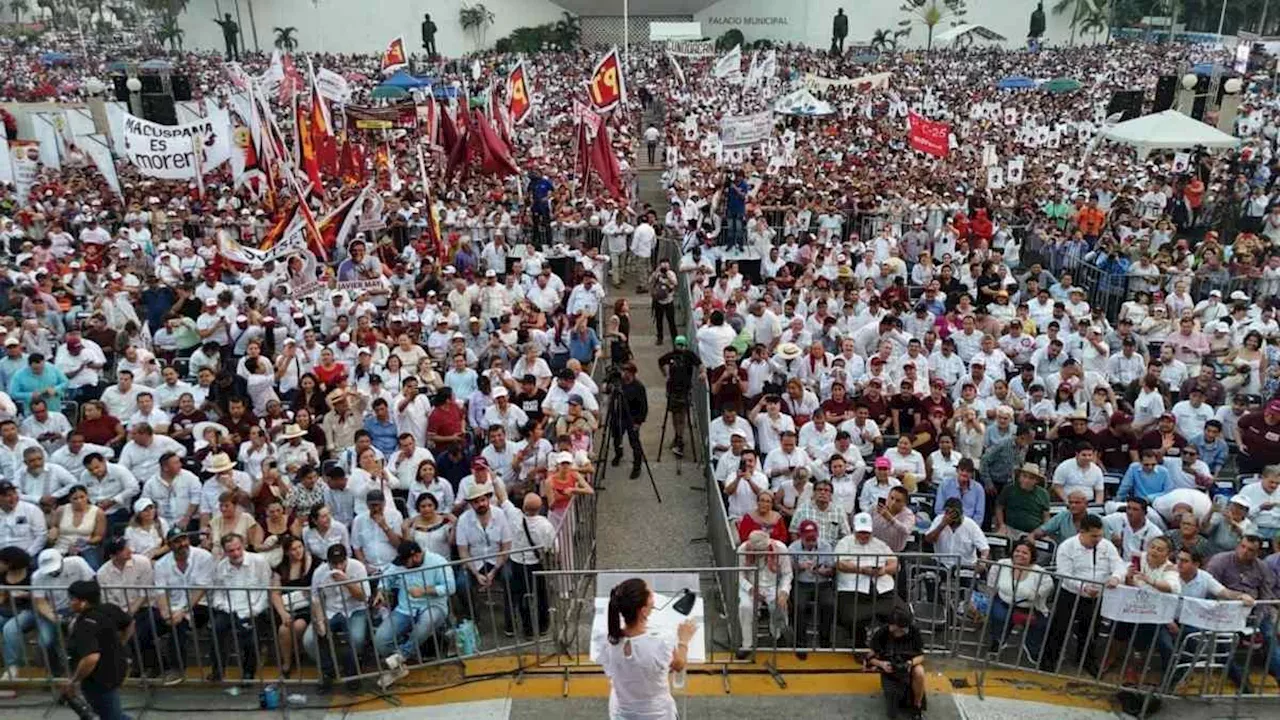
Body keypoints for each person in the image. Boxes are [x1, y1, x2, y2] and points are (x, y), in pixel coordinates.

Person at [596, 578, 696, 720]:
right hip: (658, 714)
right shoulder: (661, 641)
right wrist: (684, 640)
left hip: (622, 713)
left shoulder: (605, 640)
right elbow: (678, 664)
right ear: (643, 611)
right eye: (650, 595)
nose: (653, 597)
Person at [1041, 514, 1122, 674]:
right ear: (1082, 532)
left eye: (1100, 535)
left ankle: (1086, 660)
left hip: (1097, 596)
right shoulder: (1067, 546)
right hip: (1070, 594)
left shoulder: (1107, 545)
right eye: (1094, 536)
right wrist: (1083, 587)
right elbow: (1064, 573)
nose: (1098, 539)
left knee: (1091, 630)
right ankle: (1049, 659)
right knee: (1060, 628)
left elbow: (1118, 564)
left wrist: (1116, 577)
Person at [374, 539, 455, 673]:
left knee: (427, 621)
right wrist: (381, 590)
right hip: (405, 609)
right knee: (381, 639)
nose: (404, 566)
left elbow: (451, 587)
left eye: (406, 562)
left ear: (416, 556)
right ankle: (400, 666)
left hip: (433, 606)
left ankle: (402, 655)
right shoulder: (401, 563)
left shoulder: (438, 562)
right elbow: (387, 576)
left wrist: (425, 591)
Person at [304, 543, 370, 693]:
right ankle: (328, 671)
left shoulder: (357, 567)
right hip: (330, 610)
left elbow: (363, 597)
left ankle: (352, 675)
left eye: (342, 562)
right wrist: (319, 621)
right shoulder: (320, 572)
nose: (339, 566)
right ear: (328, 562)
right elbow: (315, 599)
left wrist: (346, 581)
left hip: (355, 610)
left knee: (355, 638)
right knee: (310, 639)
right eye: (335, 563)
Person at [63, 580, 132, 720]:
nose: (69, 603)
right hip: (117, 666)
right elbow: (130, 623)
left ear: (84, 602)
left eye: (72, 599)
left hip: (99, 679)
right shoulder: (110, 609)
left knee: (111, 716)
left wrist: (74, 680)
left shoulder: (85, 625)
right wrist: (121, 643)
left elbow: (91, 658)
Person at [984, 539, 1052, 657]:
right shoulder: (1001, 564)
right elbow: (991, 583)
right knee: (997, 614)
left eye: (1025, 553)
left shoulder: (1040, 572)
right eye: (1017, 551)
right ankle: (998, 641)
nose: (1020, 554)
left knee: (1040, 624)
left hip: (1030, 608)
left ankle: (1031, 648)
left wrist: (1037, 594)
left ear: (1032, 556)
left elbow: (1048, 586)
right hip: (1004, 602)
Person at [736, 529, 791, 657]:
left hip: (773, 585)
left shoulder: (780, 548)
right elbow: (739, 574)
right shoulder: (743, 549)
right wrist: (750, 588)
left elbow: (787, 573)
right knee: (745, 607)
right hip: (750, 584)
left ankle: (777, 637)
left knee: (778, 606)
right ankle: (747, 644)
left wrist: (783, 591)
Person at [866, 608, 926, 720]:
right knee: (892, 713)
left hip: (909, 666)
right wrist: (882, 664)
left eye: (905, 629)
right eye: (900, 629)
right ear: (892, 626)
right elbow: (870, 658)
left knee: (920, 672)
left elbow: (921, 656)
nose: (904, 631)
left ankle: (917, 706)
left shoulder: (913, 632)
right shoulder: (882, 634)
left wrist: (910, 663)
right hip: (889, 671)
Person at [657, 336, 701, 457]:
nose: (680, 347)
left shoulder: (689, 355)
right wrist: (664, 373)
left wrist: (702, 373)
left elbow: (700, 364)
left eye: (682, 345)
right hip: (672, 390)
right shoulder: (671, 355)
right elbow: (660, 361)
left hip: (685, 391)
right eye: (678, 345)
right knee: (674, 415)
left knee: (682, 416)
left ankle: (680, 440)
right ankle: (677, 436)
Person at [608, 362, 648, 480]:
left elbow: (644, 407)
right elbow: (608, 391)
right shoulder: (619, 384)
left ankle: (637, 466)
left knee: (634, 442)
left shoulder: (638, 387)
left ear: (632, 373)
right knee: (616, 437)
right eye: (623, 371)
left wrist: (638, 422)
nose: (624, 374)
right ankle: (618, 454)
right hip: (618, 415)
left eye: (627, 372)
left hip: (632, 418)